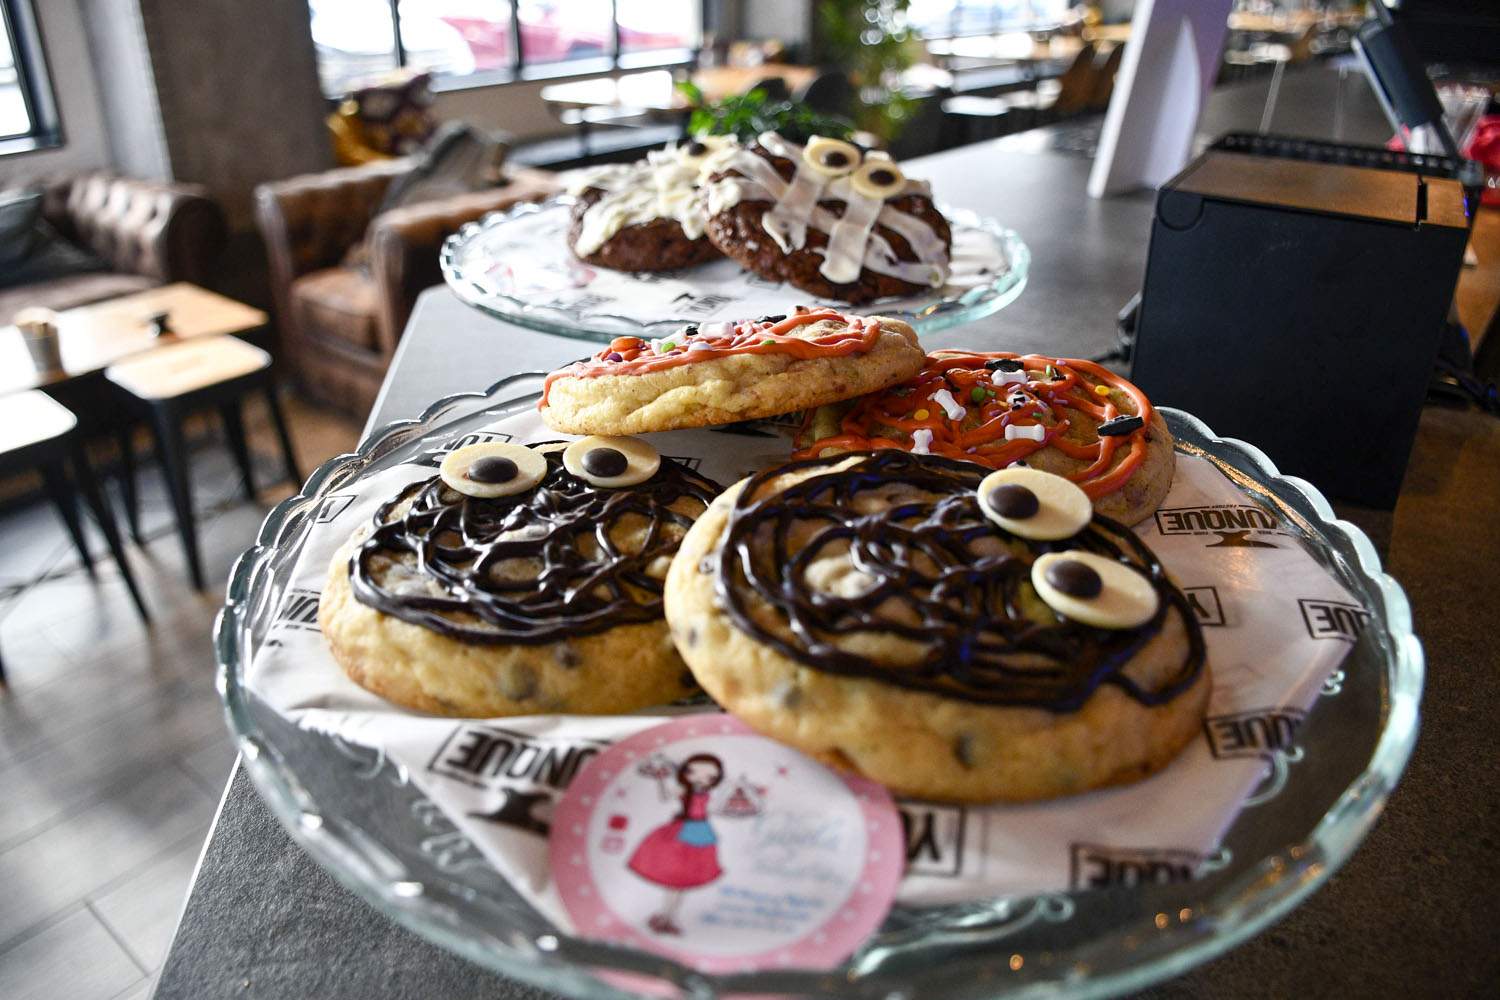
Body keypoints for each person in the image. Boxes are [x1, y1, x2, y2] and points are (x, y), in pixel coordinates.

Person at [626, 753, 725, 935]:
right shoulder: (683, 791)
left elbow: (717, 809)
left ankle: (667, 917)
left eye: (710, 777)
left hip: (700, 833)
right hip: (681, 833)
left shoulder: (709, 794)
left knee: (680, 884)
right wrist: (661, 780)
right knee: (676, 882)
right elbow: (665, 797)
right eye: (693, 772)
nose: (701, 779)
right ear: (685, 772)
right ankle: (666, 918)